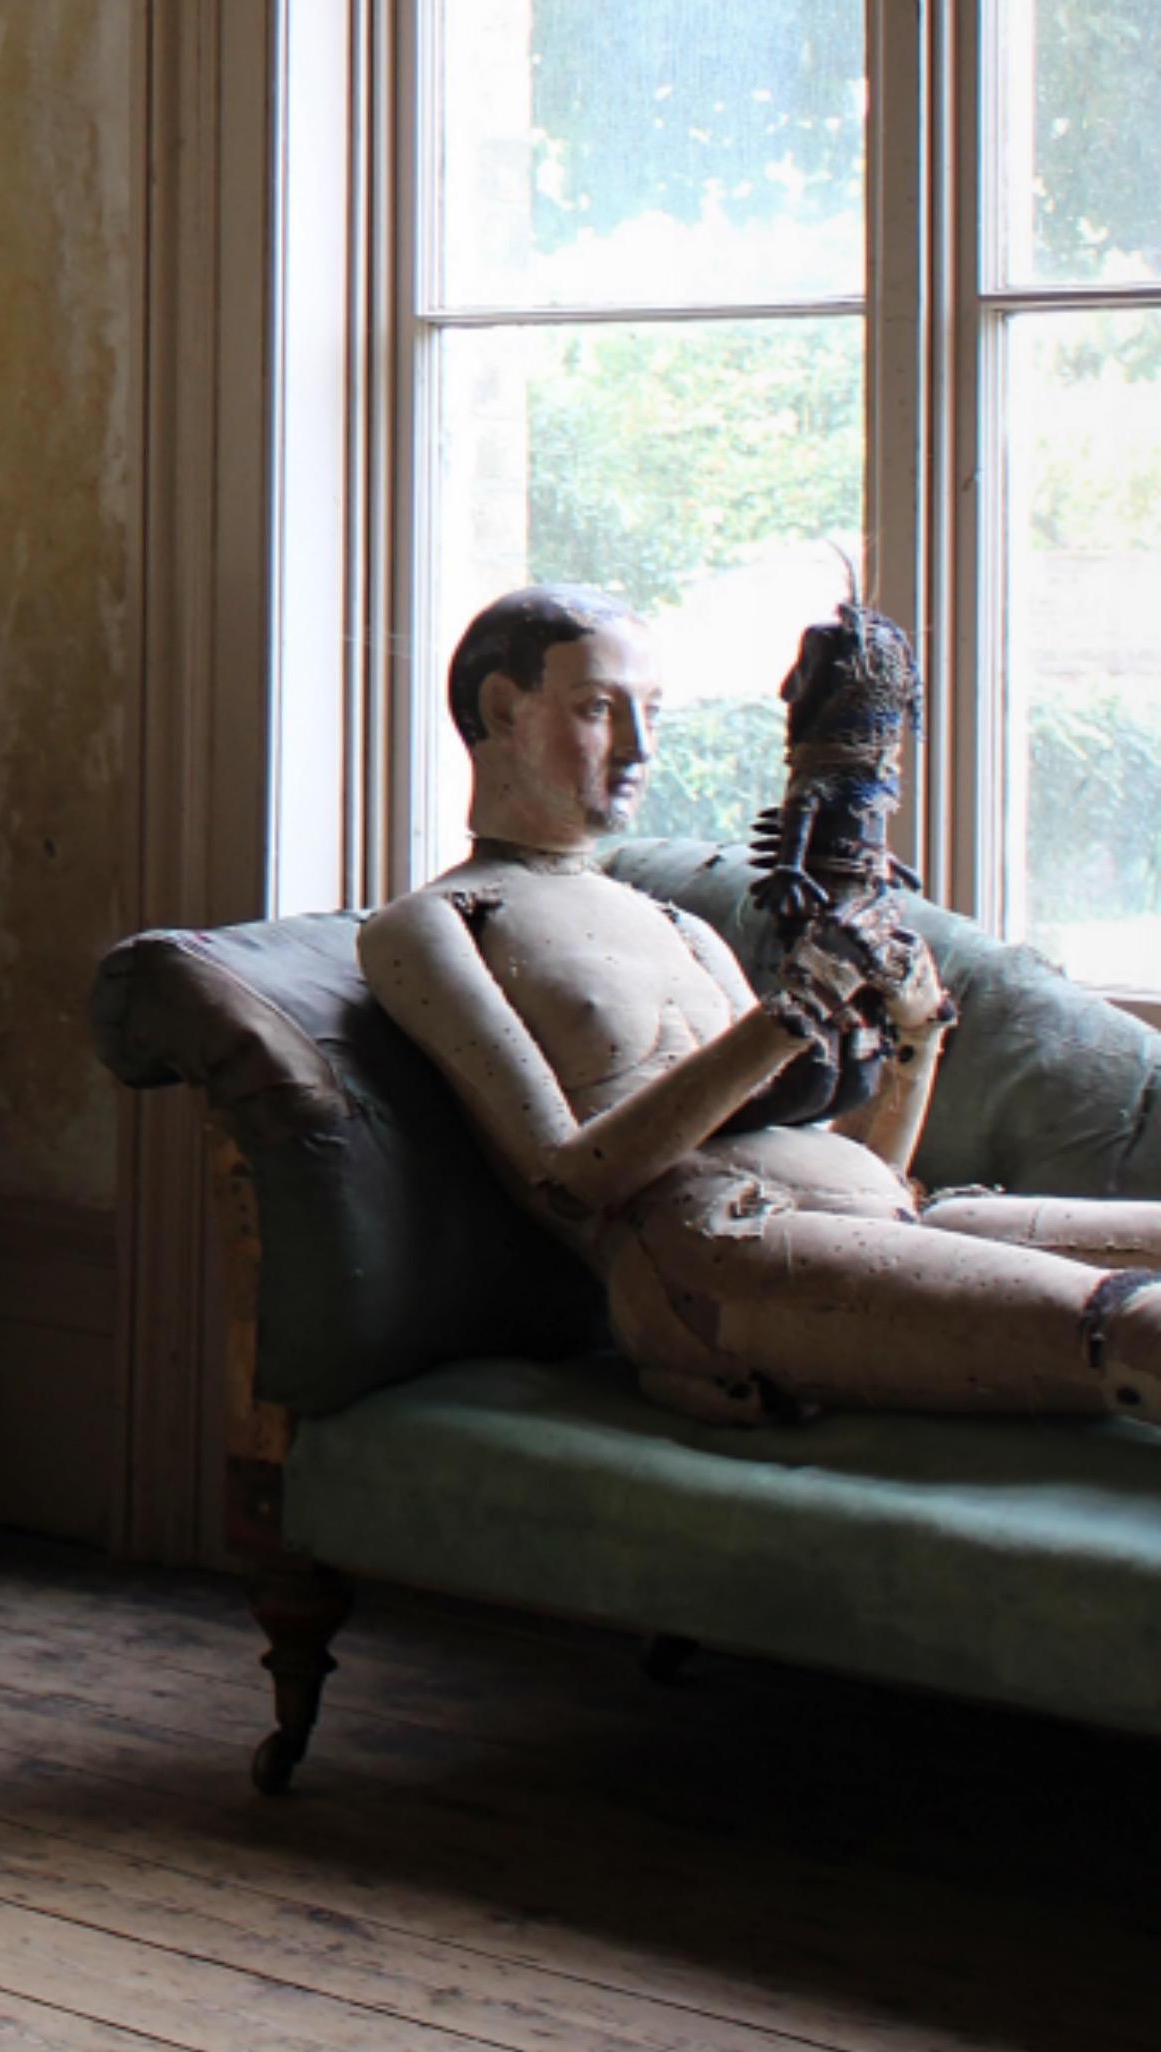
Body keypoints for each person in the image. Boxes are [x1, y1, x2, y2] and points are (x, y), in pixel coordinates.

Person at [358, 586, 1161, 1427]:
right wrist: (790, 1013)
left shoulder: (673, 922)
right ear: (499, 710)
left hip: (887, 1218)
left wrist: (916, 1038)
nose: (639, 746)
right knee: (1135, 1327)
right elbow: (568, 1185)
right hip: (716, 1256)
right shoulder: (435, 926)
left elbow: (857, 1168)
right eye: (599, 709)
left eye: (653, 712)